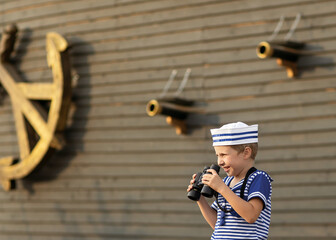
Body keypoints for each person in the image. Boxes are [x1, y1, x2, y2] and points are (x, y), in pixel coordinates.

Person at [187, 122, 273, 240]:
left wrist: (222, 189)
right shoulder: (226, 182)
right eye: (217, 155)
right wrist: (200, 199)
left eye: (223, 155)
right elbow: (217, 224)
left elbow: (251, 215)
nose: (219, 162)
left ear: (246, 153)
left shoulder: (259, 178)